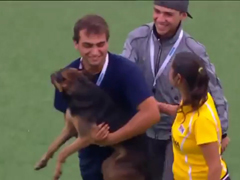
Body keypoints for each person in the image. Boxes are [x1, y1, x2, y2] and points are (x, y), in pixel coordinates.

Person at [121, 0, 230, 179]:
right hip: (143, 126)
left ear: (183, 16)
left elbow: (214, 88)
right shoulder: (137, 38)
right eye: (157, 11)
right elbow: (124, 75)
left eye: (168, 14)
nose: (160, 19)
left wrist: (223, 131)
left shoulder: (193, 49)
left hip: (176, 133)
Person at [50, 14, 160, 180]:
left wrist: (111, 139)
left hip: (130, 155)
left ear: (107, 42)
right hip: (90, 154)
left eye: (100, 44)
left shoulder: (126, 71)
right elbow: (71, 124)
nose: (95, 52)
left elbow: (152, 114)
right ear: (76, 44)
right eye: (88, 45)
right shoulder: (67, 77)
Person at [158, 51, 230, 180]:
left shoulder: (202, 120)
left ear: (178, 78)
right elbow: (185, 116)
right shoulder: (196, 97)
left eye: (171, 68)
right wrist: (161, 107)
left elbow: (215, 167)